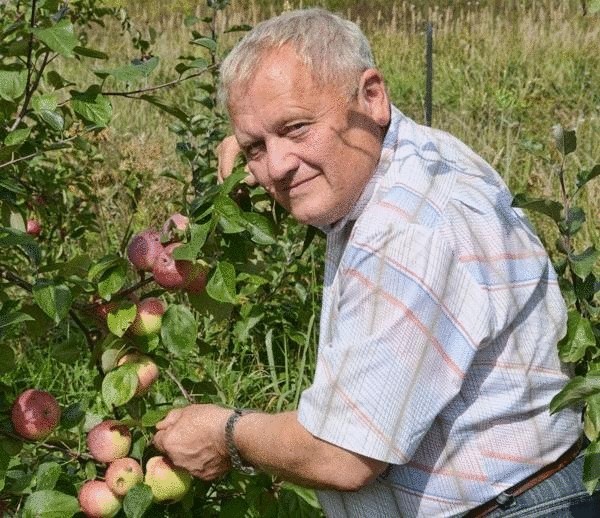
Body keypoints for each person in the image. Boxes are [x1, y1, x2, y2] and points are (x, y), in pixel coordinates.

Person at [152, 8, 591, 517]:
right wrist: (273, 140)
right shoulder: (418, 156)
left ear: (372, 97)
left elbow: (342, 455)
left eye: (296, 128)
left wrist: (226, 433)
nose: (275, 166)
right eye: (256, 146)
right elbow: (312, 160)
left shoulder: (405, 234)